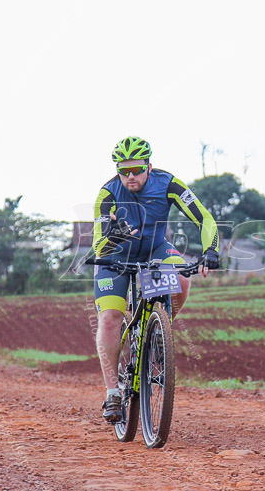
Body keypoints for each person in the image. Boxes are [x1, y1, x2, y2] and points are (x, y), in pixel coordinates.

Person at [94, 135, 220, 423]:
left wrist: (210, 250)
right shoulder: (107, 193)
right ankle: (113, 392)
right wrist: (114, 237)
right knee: (111, 316)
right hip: (115, 258)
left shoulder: (168, 183)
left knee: (182, 280)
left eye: (136, 170)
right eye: (123, 171)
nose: (130, 176)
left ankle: (158, 330)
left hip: (156, 249)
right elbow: (99, 243)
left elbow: (204, 218)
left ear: (149, 166)